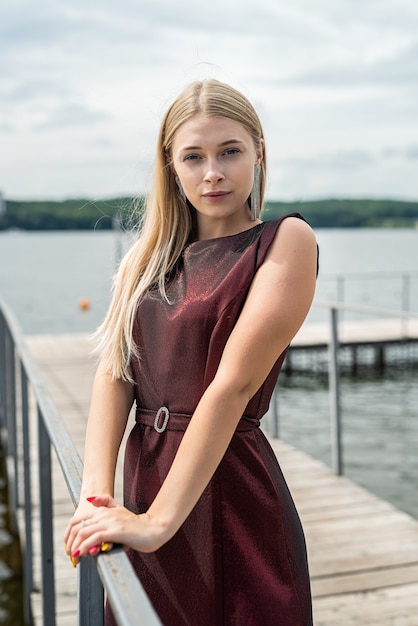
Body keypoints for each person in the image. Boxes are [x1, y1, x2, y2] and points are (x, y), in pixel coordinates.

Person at [64, 79, 318, 625]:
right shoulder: (147, 258)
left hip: (230, 492)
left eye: (230, 151)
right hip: (146, 481)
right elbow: (115, 373)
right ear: (171, 167)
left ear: (258, 152)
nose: (213, 172)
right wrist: (96, 494)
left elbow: (233, 385)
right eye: (193, 156)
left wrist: (157, 522)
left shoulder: (284, 241)